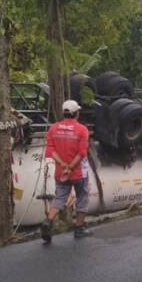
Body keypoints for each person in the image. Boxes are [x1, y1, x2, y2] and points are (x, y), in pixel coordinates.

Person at [41, 99, 92, 244]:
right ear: (76, 113)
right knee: (82, 196)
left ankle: (48, 221)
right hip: (78, 172)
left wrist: (63, 165)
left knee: (59, 198)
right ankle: (79, 229)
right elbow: (81, 153)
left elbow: (51, 151)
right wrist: (70, 167)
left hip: (60, 172)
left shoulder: (53, 128)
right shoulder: (82, 129)